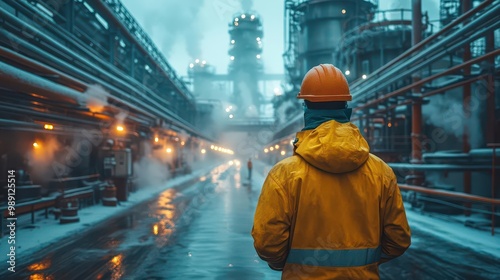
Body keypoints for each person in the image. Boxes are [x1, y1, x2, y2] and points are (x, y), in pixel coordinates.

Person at [252, 64, 411, 279]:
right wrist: (362, 264)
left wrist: (291, 264)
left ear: (306, 111)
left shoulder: (284, 175)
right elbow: (398, 239)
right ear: (347, 110)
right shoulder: (381, 172)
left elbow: (267, 242)